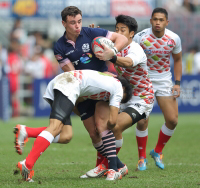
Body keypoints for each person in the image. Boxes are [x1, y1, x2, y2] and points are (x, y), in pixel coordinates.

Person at [14, 6, 128, 156]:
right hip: (83, 90)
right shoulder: (59, 47)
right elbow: (73, 74)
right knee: (92, 134)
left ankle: (109, 166)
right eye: (73, 22)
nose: (77, 26)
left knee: (102, 127)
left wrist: (112, 52)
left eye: (79, 21)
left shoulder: (91, 33)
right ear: (64, 23)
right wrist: (97, 75)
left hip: (102, 87)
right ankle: (106, 165)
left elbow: (123, 38)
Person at [16, 70, 133, 182]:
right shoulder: (118, 88)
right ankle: (28, 164)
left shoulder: (103, 82)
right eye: (120, 100)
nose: (115, 101)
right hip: (69, 84)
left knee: (63, 134)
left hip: (59, 82)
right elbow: (112, 122)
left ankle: (26, 132)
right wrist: (107, 126)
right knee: (55, 128)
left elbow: (77, 106)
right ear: (123, 90)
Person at [82, 14, 154, 178]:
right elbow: (100, 45)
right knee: (100, 126)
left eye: (123, 30)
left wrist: (112, 56)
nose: (119, 32)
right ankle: (103, 166)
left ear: (131, 34)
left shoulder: (135, 49)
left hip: (141, 98)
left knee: (114, 126)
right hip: (122, 94)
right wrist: (94, 36)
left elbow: (128, 62)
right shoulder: (114, 45)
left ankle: (109, 166)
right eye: (117, 30)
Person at [133, 7, 182, 170]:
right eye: (155, 19)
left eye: (161, 20)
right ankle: (142, 158)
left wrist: (177, 83)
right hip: (144, 80)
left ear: (167, 22)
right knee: (141, 120)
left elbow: (178, 60)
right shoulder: (140, 37)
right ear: (151, 21)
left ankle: (157, 151)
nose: (158, 22)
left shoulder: (174, 38)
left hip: (164, 81)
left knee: (173, 120)